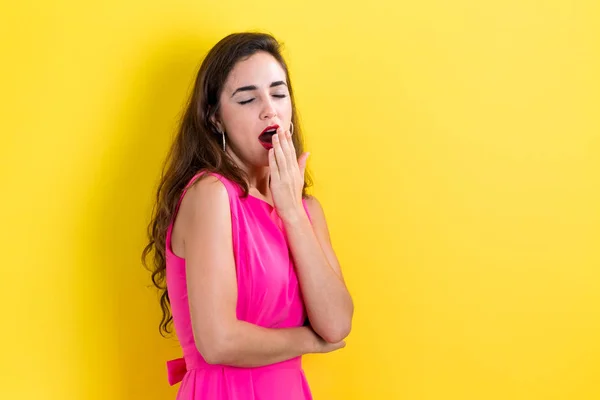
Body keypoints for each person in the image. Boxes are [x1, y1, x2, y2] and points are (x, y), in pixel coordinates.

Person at [142, 32, 354, 399]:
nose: (269, 109)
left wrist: (290, 212)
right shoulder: (209, 195)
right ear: (215, 119)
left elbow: (336, 323)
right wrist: (310, 341)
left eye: (278, 93)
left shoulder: (306, 211)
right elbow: (219, 341)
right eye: (247, 98)